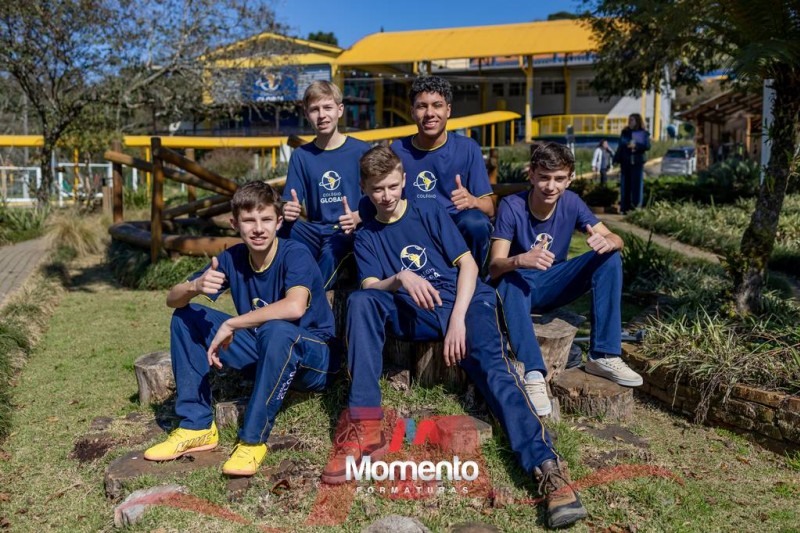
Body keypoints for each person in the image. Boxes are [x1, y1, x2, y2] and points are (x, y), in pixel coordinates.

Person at [323, 146, 588, 529]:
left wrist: (459, 321)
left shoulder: (428, 211)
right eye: (377, 188)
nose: (387, 195)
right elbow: (369, 286)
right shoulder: (366, 236)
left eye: (393, 186)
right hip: (414, 311)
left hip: (464, 303)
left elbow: (468, 266)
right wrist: (400, 278)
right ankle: (363, 425)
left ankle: (548, 468)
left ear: (404, 180)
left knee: (497, 375)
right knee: (362, 301)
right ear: (363, 188)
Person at [144, 181, 339, 477]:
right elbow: (172, 299)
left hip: (313, 358)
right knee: (186, 317)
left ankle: (252, 440)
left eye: (266, 219)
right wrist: (195, 286)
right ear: (234, 224)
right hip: (264, 350)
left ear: (279, 221)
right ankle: (196, 426)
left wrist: (232, 322)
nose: (258, 229)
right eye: (249, 221)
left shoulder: (295, 253)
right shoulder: (232, 258)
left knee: (276, 330)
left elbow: (295, 307)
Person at [489, 142, 642, 416]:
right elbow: (495, 266)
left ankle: (604, 355)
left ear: (570, 179)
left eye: (559, 179)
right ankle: (533, 373)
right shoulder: (512, 206)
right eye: (544, 178)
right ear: (531, 175)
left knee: (610, 257)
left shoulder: (572, 202)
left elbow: (616, 238)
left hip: (552, 283)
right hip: (516, 288)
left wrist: (608, 241)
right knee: (509, 280)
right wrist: (521, 260)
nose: (551, 186)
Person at [384, 76, 495, 270]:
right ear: (412, 112)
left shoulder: (468, 148)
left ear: (448, 110)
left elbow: (490, 208)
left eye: (437, 105)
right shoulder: (397, 150)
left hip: (455, 226)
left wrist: (473, 201)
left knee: (476, 223)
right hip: (413, 228)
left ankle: (475, 278)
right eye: (422, 106)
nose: (430, 113)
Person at [279, 80, 370, 289]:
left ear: (340, 110)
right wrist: (287, 209)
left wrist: (358, 216)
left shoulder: (361, 150)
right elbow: (289, 200)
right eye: (315, 109)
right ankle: (266, 290)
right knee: (277, 230)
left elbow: (378, 199)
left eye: (327, 107)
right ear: (306, 114)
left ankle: (310, 298)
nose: (322, 115)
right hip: (315, 230)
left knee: (332, 251)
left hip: (348, 229)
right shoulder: (301, 156)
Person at [614, 113, 650, 213]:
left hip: (637, 162)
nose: (629, 122)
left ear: (637, 121)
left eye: (632, 120)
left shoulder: (643, 133)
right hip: (625, 161)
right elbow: (621, 144)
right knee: (625, 185)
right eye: (629, 120)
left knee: (637, 185)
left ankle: (636, 207)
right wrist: (626, 145)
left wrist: (636, 146)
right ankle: (624, 208)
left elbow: (647, 146)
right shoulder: (625, 132)